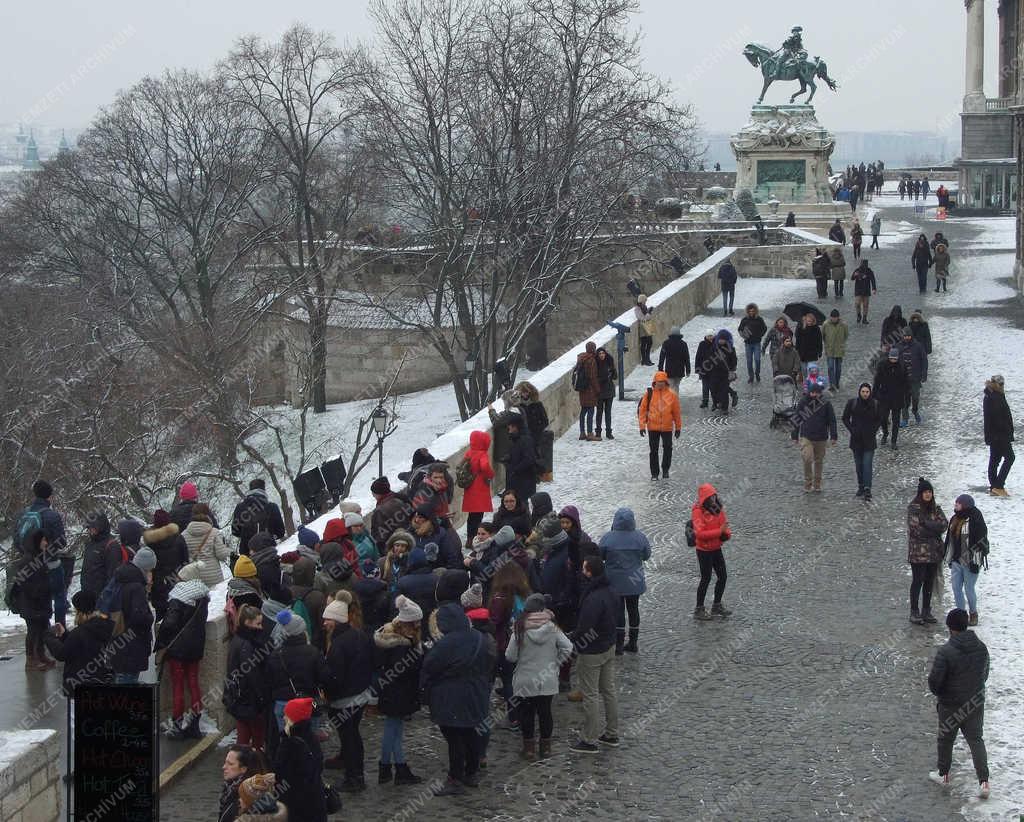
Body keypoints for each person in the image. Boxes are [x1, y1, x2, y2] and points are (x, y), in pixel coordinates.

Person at [421, 596, 496, 795]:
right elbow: (490, 660)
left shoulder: (446, 643)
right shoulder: (479, 637)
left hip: (451, 697)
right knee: (472, 734)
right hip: (476, 694)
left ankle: (455, 778)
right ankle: (471, 772)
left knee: (454, 738)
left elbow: (430, 666)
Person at [927, 608, 990, 797]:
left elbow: (935, 682)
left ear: (951, 628)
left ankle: (944, 774)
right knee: (976, 740)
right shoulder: (981, 647)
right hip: (975, 702)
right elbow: (984, 673)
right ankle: (984, 782)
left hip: (950, 704)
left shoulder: (946, 652)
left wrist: (941, 694)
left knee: (946, 739)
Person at [506, 593, 573, 760]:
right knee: (545, 713)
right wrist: (556, 663)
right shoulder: (552, 628)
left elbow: (510, 656)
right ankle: (546, 749)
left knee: (527, 714)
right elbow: (568, 647)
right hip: (547, 678)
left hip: (525, 679)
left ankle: (528, 749)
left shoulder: (519, 628)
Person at [320, 591, 374, 792]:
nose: (325, 623)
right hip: (359, 696)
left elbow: (335, 677)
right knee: (353, 738)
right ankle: (355, 774)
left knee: (349, 739)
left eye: (328, 619)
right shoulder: (359, 635)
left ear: (337, 621)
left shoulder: (339, 644)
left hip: (344, 700)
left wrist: (326, 690)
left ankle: (354, 778)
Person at [568, 556, 619, 753]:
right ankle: (612, 733)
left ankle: (589, 739)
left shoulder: (593, 598)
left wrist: (572, 638)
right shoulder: (612, 591)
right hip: (609, 646)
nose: (582, 571)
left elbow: (584, 627)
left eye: (584, 568)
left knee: (590, 694)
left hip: (592, 652)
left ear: (589, 573)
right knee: (609, 690)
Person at [374, 595, 425, 786]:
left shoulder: (391, 641)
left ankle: (387, 768)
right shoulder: (402, 647)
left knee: (393, 729)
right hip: (398, 692)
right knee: (393, 730)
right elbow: (407, 671)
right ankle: (395, 767)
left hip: (392, 691)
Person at [156, 573, 210, 739]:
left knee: (178, 686)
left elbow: (170, 623)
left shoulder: (178, 597)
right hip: (195, 648)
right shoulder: (202, 596)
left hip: (178, 650)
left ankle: (177, 725)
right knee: (193, 683)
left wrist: (162, 640)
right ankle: (195, 724)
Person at [17, 481, 69, 629]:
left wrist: (30, 556)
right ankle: (60, 629)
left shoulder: (24, 514)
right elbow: (61, 542)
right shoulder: (52, 515)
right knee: (59, 595)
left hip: (29, 565)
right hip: (51, 564)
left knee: (36, 598)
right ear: (50, 497)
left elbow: (17, 540)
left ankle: (39, 633)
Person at [598, 508, 651, 654]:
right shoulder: (640, 537)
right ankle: (633, 643)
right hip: (635, 581)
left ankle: (619, 645)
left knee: (618, 611)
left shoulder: (607, 538)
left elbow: (600, 556)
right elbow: (647, 555)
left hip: (615, 583)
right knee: (634, 610)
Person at [43, 590, 114, 694]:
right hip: (100, 679)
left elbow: (62, 654)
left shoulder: (80, 632)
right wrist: (65, 635)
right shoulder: (105, 626)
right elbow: (84, 645)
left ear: (80, 611)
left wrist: (49, 637)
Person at [266, 609, 323, 733]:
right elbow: (322, 677)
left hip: (283, 703)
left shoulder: (275, 655)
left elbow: (269, 681)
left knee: (287, 741)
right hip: (308, 702)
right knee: (310, 741)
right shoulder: (313, 652)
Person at [224, 604, 271, 751]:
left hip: (240, 699)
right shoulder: (248, 645)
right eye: (258, 623)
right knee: (257, 741)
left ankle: (240, 769)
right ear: (247, 623)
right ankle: (256, 768)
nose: (261, 627)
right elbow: (253, 675)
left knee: (243, 738)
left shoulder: (238, 640)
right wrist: (263, 698)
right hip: (250, 700)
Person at [273, 697, 328, 822]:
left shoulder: (289, 744)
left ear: (293, 719)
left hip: (295, 806)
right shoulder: (312, 738)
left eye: (286, 715)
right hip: (315, 802)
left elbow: (282, 775)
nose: (283, 717)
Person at [108, 546, 157, 684]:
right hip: (131, 647)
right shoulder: (136, 587)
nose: (152, 575)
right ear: (145, 569)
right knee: (127, 685)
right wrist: (150, 618)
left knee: (122, 680)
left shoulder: (121, 578)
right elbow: (139, 617)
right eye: (151, 570)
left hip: (118, 642)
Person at [906, 478, 948, 625]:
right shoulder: (913, 508)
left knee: (929, 581)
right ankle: (914, 611)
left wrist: (927, 524)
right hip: (918, 554)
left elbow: (944, 525)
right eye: (925, 492)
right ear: (920, 493)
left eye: (930, 492)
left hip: (934, 553)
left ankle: (926, 610)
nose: (928, 494)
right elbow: (916, 530)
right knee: (918, 581)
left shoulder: (936, 508)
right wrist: (934, 530)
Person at [944, 494, 989, 626]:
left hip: (970, 562)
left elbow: (981, 541)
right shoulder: (955, 519)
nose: (955, 506)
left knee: (969, 588)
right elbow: (949, 539)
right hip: (956, 561)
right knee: (956, 588)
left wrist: (975, 559)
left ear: (964, 505)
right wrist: (948, 556)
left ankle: (973, 613)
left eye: (958, 504)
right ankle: (961, 615)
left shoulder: (976, 519)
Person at [690, 483, 732, 621]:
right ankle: (699, 609)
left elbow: (724, 524)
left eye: (714, 496)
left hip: (716, 548)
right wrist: (719, 532)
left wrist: (726, 533)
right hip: (704, 551)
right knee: (706, 578)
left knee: (723, 576)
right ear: (705, 499)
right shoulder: (697, 511)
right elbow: (699, 534)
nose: (713, 500)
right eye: (711, 497)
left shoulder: (717, 508)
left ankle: (717, 605)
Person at [15, 529, 55, 671]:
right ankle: (31, 659)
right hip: (31, 603)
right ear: (36, 542)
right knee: (33, 630)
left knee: (43, 628)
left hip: (42, 602)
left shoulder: (40, 557)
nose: (46, 543)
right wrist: (38, 592)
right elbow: (23, 583)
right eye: (43, 540)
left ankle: (41, 653)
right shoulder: (27, 560)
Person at [791, 381, 838, 492]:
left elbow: (832, 420)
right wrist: (794, 435)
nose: (814, 395)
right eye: (812, 393)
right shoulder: (803, 402)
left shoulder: (826, 403)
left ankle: (817, 484)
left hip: (821, 437)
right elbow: (797, 418)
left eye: (816, 393)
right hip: (806, 436)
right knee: (807, 458)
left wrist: (834, 435)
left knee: (819, 461)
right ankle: (808, 483)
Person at [637, 371, 682, 480]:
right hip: (653, 427)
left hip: (667, 427)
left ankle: (665, 469)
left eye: (662, 382)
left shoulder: (672, 395)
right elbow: (642, 411)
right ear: (654, 382)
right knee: (653, 450)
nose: (660, 384)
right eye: (658, 382)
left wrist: (678, 427)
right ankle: (654, 473)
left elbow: (676, 412)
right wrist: (642, 426)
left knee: (667, 448)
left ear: (666, 382)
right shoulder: (649, 394)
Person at [144, 509, 187, 621]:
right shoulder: (179, 538)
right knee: (178, 615)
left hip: (158, 586)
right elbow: (186, 561)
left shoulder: (149, 542)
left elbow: (147, 567)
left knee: (160, 617)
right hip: (177, 581)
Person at [842, 384, 881, 500]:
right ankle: (861, 486)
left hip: (869, 440)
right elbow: (845, 418)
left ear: (870, 393)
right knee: (859, 465)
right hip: (856, 440)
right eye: (863, 391)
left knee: (867, 465)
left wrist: (873, 430)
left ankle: (867, 488)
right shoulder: (852, 403)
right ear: (859, 392)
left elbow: (879, 419)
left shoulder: (875, 404)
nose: (865, 394)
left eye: (867, 392)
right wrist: (852, 430)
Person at [181, 503, 231, 588]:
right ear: (208, 515)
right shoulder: (214, 532)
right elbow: (221, 555)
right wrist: (228, 550)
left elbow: (182, 557)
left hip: (192, 576)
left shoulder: (184, 534)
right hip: (213, 577)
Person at [231, 479, 286, 555]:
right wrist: (270, 537)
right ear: (263, 490)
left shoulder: (239, 507)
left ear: (250, 490)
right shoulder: (272, 507)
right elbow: (281, 532)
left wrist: (246, 534)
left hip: (246, 553)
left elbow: (235, 531)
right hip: (268, 552)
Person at [220, 746, 271, 822]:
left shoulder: (246, 796)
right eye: (225, 762)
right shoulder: (231, 788)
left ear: (243, 769)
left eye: (230, 764)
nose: (223, 767)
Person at [460, 430, 495, 541]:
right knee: (478, 516)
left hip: (470, 487)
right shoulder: (482, 454)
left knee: (471, 516)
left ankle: (470, 538)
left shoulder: (469, 453)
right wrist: (491, 474)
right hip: (480, 488)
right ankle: (475, 538)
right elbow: (485, 467)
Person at [983, 374, 1014, 496]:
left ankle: (994, 486)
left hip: (995, 435)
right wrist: (1006, 431)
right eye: (1000, 384)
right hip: (1000, 435)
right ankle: (998, 485)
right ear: (995, 384)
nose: (1002, 386)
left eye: (1003, 384)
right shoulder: (994, 396)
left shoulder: (992, 395)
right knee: (1010, 457)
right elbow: (998, 418)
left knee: (995, 459)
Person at [80, 511, 123, 598]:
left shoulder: (111, 545)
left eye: (92, 527)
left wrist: (105, 597)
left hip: (102, 597)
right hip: (88, 595)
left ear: (100, 526)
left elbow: (113, 575)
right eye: (88, 528)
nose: (89, 530)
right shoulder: (90, 543)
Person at [368, 477, 413, 550]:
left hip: (394, 545)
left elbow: (379, 534)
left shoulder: (380, 510)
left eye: (374, 493)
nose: (373, 495)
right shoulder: (401, 499)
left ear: (379, 493)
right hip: (409, 538)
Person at [895, 328, 927, 425]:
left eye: (908, 336)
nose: (907, 338)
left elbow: (924, 360)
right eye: (905, 336)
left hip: (915, 377)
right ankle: (905, 418)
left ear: (911, 336)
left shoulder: (918, 346)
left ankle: (915, 410)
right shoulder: (898, 347)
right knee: (904, 399)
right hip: (902, 379)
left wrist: (924, 373)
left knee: (915, 397)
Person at [502, 416, 537, 502]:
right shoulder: (516, 439)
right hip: (517, 481)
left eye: (510, 427)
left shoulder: (525, 440)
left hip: (523, 481)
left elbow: (529, 459)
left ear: (515, 427)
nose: (508, 429)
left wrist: (515, 469)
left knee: (522, 506)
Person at [574, 341, 601, 441]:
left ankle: (582, 432)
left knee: (583, 411)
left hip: (582, 388)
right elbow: (592, 377)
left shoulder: (581, 358)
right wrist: (597, 389)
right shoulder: (591, 360)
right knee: (590, 411)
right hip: (590, 389)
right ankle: (590, 433)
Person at [737, 304, 767, 384]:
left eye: (753, 311)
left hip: (757, 343)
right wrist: (744, 335)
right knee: (749, 361)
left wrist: (760, 335)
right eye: (750, 311)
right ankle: (751, 376)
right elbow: (740, 329)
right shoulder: (745, 320)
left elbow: (764, 328)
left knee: (757, 360)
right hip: (748, 343)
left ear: (755, 311)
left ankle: (757, 373)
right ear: (747, 311)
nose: (751, 312)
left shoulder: (759, 319)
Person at [657, 327, 690, 394]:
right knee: (676, 386)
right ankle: (675, 401)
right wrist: (688, 370)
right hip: (680, 369)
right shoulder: (683, 344)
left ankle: (671, 402)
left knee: (671, 386)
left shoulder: (666, 343)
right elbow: (686, 358)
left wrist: (660, 368)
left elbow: (662, 357)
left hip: (669, 369)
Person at [594, 347, 618, 439]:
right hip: (599, 392)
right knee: (599, 412)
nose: (601, 355)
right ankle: (598, 432)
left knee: (608, 412)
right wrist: (604, 378)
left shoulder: (609, 362)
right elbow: (595, 378)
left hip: (609, 391)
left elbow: (615, 377)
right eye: (600, 353)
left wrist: (612, 372)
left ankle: (608, 432)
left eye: (603, 353)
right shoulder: (595, 364)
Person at [822, 309, 848, 391]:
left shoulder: (843, 325)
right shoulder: (826, 324)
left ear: (838, 317)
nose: (834, 319)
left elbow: (846, 335)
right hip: (829, 349)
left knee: (838, 368)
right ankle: (832, 384)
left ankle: (836, 383)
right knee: (830, 367)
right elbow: (823, 335)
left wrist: (841, 343)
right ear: (830, 317)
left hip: (839, 349)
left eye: (835, 317)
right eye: (833, 317)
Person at [795, 313, 823, 378]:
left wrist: (820, 351)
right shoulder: (801, 328)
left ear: (813, 321)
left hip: (812, 353)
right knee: (804, 370)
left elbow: (819, 340)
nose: (809, 323)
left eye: (810, 321)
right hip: (802, 353)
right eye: (808, 321)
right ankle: (806, 382)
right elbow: (798, 339)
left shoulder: (816, 329)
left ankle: (810, 384)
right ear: (805, 320)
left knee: (811, 370)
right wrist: (797, 349)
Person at [850, 259, 877, 325]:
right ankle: (859, 315)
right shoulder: (857, 270)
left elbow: (872, 279)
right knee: (857, 304)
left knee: (865, 305)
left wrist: (874, 288)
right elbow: (852, 278)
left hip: (866, 290)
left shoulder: (869, 271)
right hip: (858, 290)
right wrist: (855, 275)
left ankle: (864, 318)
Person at [694, 330, 716, 408]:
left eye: (711, 336)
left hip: (714, 369)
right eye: (708, 336)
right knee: (705, 386)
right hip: (704, 369)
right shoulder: (702, 344)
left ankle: (715, 402)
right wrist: (697, 368)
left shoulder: (716, 344)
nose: (710, 337)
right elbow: (698, 356)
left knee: (713, 387)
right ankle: (705, 401)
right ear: (706, 336)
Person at [634, 294, 655, 365]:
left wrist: (648, 311)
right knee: (644, 343)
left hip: (647, 327)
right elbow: (642, 318)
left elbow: (646, 317)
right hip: (643, 328)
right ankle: (644, 360)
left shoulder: (644, 307)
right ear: (642, 300)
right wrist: (649, 313)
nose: (645, 302)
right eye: (645, 300)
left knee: (649, 342)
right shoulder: (637, 308)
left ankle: (647, 359)